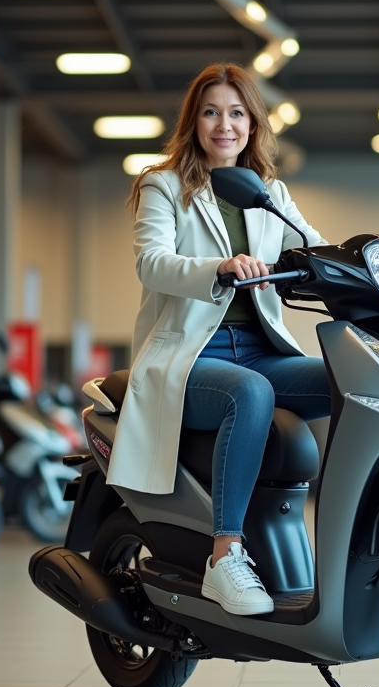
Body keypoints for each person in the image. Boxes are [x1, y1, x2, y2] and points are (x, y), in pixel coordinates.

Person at [106, 63, 330, 616]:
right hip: (190, 356)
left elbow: (316, 248)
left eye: (236, 113)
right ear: (194, 121)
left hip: (261, 351)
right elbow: (152, 262)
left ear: (253, 125)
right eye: (211, 112)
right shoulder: (164, 185)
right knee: (249, 393)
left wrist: (371, 265)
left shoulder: (269, 192)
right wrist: (220, 267)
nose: (224, 125)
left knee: (348, 379)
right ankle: (223, 557)